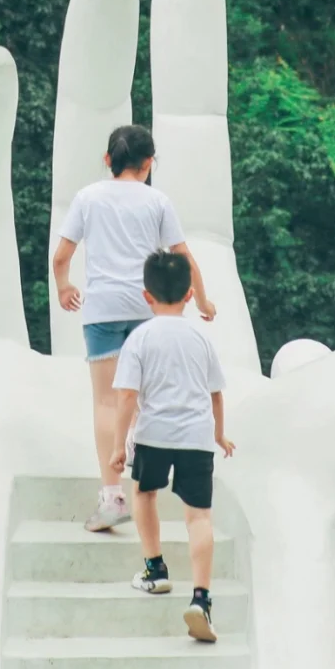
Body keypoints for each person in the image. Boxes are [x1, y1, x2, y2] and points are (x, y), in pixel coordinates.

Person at [53, 124, 215, 532]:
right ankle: (146, 489)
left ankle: (112, 497)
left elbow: (61, 257)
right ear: (148, 164)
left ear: (108, 160)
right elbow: (183, 255)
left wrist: (64, 286)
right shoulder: (157, 201)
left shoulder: (88, 198)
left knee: (107, 402)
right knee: (144, 400)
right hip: (148, 310)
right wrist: (204, 297)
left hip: (103, 309)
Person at [109, 250, 234, 644]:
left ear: (147, 296)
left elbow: (127, 396)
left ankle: (155, 570)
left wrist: (117, 447)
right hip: (196, 436)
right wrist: (218, 434)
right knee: (199, 517)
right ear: (189, 294)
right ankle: (201, 598)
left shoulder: (139, 338)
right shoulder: (200, 337)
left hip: (153, 434)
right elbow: (216, 393)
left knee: (144, 493)